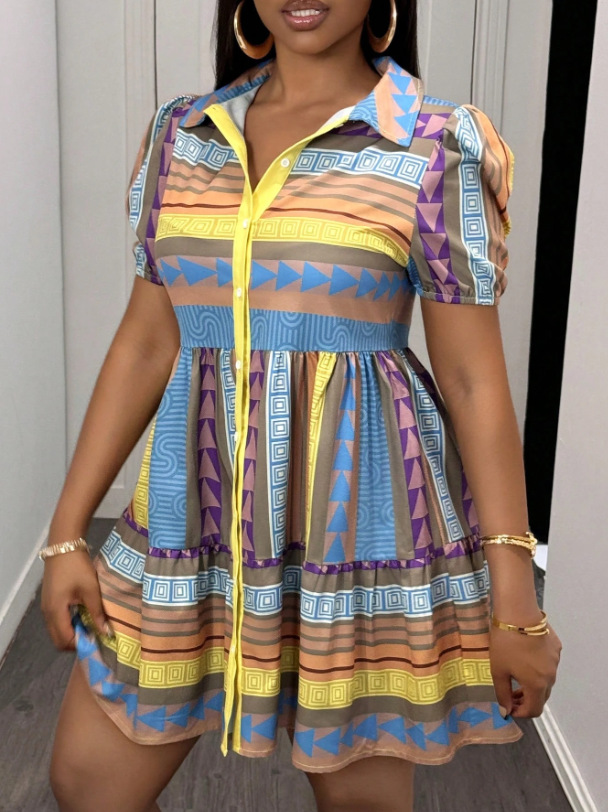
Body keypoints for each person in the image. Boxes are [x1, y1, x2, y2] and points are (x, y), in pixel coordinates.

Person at [42, 1, 562, 810]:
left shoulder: (432, 142)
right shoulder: (184, 135)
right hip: (194, 525)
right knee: (87, 783)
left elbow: (472, 383)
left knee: (359, 804)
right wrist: (66, 533)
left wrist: (516, 600)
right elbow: (147, 343)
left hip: (358, 533)